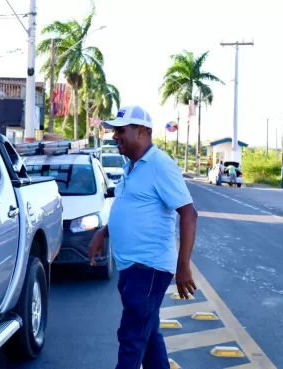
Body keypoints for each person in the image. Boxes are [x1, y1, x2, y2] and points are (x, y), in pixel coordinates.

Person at [87, 106, 198, 369]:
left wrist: (183, 266)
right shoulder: (132, 166)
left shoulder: (160, 165)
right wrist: (103, 233)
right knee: (148, 336)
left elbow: (189, 213)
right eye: (114, 131)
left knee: (132, 337)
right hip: (132, 267)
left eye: (120, 130)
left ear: (141, 131)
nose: (115, 136)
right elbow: (131, 208)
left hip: (148, 267)